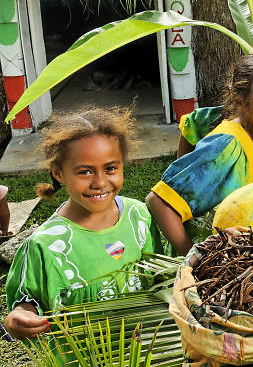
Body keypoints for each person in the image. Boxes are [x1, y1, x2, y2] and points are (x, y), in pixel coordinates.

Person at [4, 107, 161, 340]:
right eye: (85, 172)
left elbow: (159, 275)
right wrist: (18, 319)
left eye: (110, 168)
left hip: (148, 350)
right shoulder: (44, 246)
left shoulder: (138, 216)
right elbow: (27, 304)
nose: (100, 182)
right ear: (58, 173)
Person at [146, 53, 253, 255]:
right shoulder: (225, 149)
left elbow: (194, 121)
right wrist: (193, 259)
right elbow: (158, 202)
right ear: (240, 99)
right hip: (211, 268)